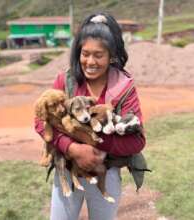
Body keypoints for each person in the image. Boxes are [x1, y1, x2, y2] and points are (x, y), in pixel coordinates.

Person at [35, 12, 146, 220]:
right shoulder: (65, 81)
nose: (90, 61)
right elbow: (41, 122)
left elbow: (137, 141)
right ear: (78, 52)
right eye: (85, 53)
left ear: (111, 55)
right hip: (68, 168)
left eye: (98, 55)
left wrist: (97, 147)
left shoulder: (124, 87)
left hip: (106, 169)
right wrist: (72, 148)